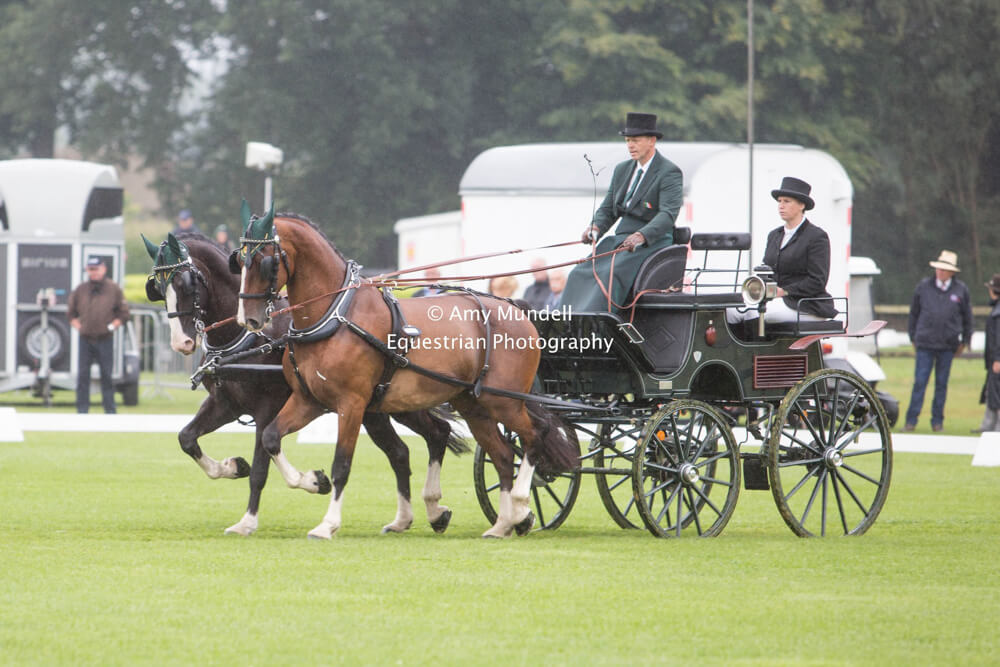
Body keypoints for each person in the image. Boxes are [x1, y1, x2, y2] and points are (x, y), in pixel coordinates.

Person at [559, 112, 683, 312]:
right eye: (627, 140)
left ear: (652, 140)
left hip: (652, 242)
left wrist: (641, 235)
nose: (630, 145)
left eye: (636, 140)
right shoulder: (622, 169)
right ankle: (567, 319)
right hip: (621, 240)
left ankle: (598, 322)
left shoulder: (669, 172)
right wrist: (595, 227)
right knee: (580, 272)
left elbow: (668, 214)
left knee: (610, 273)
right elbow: (608, 207)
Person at [727, 176, 836, 326]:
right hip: (774, 299)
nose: (781, 206)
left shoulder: (816, 236)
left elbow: (817, 281)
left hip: (804, 303)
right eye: (779, 201)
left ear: (801, 205)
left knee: (753, 312)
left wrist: (783, 291)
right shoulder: (774, 235)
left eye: (787, 201)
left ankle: (754, 342)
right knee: (731, 310)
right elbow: (767, 270)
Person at [903, 249, 973, 432]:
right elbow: (914, 313)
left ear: (951, 272)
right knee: (920, 382)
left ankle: (937, 422)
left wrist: (965, 340)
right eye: (938, 268)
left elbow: (967, 317)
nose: (940, 272)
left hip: (948, 345)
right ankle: (911, 421)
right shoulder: (923, 287)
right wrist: (912, 336)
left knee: (941, 385)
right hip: (925, 343)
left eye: (944, 269)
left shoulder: (961, 290)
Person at [67, 257, 130, 414]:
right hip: (85, 339)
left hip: (105, 338)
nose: (93, 272)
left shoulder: (113, 288)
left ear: (103, 269)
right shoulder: (80, 289)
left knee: (106, 375)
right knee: (83, 375)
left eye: (96, 269)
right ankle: (82, 410)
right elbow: (71, 313)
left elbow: (123, 313)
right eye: (90, 269)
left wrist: (112, 326)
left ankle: (109, 410)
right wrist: (79, 326)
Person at [974, 274, 1000, 432]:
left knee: (997, 392)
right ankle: (989, 425)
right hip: (993, 359)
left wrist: (997, 358)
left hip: (996, 360)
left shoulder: (998, 313)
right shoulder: (996, 309)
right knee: (991, 391)